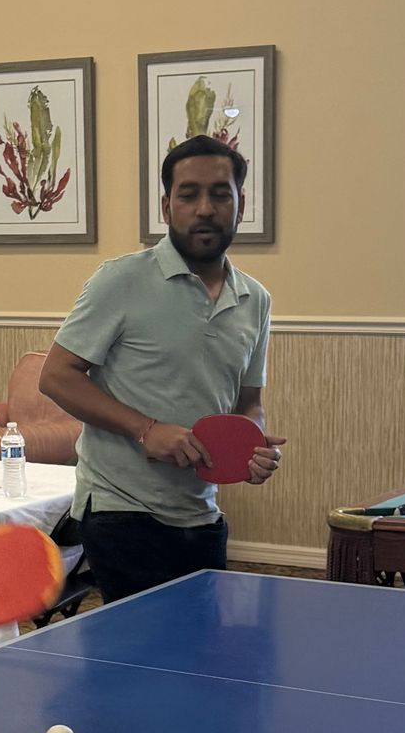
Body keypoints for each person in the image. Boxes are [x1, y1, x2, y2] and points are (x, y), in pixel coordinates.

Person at [40, 136, 282, 603]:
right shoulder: (121, 279)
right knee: (147, 661)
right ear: (167, 205)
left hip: (201, 513)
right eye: (189, 194)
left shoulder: (256, 300)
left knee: (202, 657)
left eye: (220, 193)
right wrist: (145, 428)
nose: (205, 208)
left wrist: (252, 442)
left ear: (241, 203)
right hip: (119, 509)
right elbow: (57, 375)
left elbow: (249, 401)